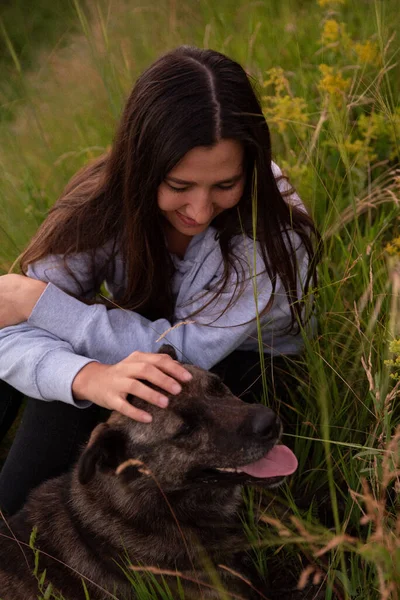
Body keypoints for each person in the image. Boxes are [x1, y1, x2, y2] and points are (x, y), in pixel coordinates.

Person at [0, 46, 320, 516]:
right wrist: (89, 376)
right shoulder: (103, 201)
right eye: (179, 186)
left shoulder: (272, 231)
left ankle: (13, 525)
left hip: (241, 371)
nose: (200, 210)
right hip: (154, 349)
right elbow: (8, 323)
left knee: (66, 368)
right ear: (140, 166)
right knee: (59, 354)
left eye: (224, 185)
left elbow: (188, 356)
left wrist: (40, 305)